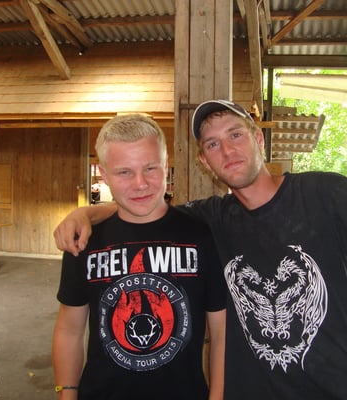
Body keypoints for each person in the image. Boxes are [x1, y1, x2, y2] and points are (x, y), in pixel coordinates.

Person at [54, 100, 347, 400]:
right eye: (213, 144)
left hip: (343, 388)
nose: (227, 151)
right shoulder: (210, 219)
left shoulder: (325, 193)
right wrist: (86, 213)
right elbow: (146, 206)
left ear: (258, 139)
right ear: (204, 161)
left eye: (236, 135)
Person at [52, 114, 226, 400]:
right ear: (104, 175)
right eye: (124, 172)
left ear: (166, 165)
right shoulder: (84, 240)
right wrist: (67, 394)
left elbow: (220, 332)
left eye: (150, 168)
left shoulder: (201, 236)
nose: (140, 183)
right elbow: (70, 330)